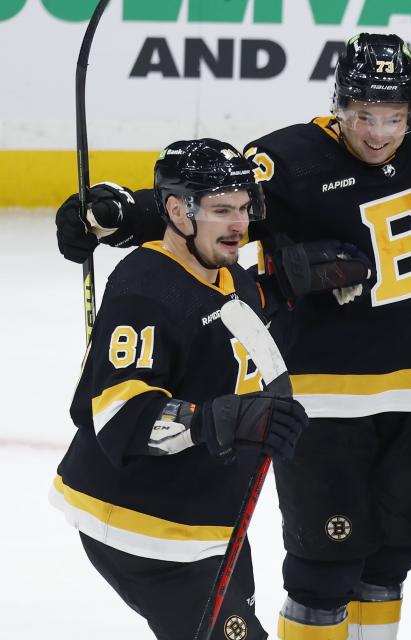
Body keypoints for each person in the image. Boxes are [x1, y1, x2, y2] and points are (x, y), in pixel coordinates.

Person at [54, 33, 411, 640]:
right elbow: (213, 198)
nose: (378, 132)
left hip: (407, 393)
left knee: (393, 559)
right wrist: (122, 215)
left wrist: (287, 283)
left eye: (394, 116)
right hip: (319, 400)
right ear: (339, 103)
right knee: (323, 570)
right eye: (363, 114)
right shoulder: (288, 159)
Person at [49, 138, 307, 640]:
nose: (239, 224)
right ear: (176, 211)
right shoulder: (146, 290)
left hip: (206, 513)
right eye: (221, 210)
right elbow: (123, 420)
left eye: (244, 208)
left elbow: (218, 327)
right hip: (145, 527)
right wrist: (224, 420)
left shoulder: (223, 270)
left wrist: (287, 284)